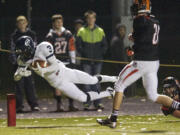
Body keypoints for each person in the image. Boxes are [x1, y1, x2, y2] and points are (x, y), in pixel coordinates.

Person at [96, 0, 180, 128]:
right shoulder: (155, 21)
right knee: (153, 95)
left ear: (141, 7)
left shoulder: (139, 19)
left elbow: (141, 40)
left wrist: (133, 48)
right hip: (154, 62)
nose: (133, 10)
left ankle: (113, 119)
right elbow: (146, 37)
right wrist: (135, 38)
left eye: (135, 7)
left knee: (119, 84)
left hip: (142, 62)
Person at [14, 36, 118, 107]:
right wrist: (20, 73)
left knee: (92, 80)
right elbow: (16, 77)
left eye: (23, 51)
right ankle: (108, 92)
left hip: (64, 72)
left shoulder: (43, 47)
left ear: (29, 47)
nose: (22, 55)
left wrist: (43, 70)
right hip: (57, 83)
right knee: (83, 98)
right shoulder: (22, 59)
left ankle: (114, 78)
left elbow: (54, 66)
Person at [76, 10, 108, 111]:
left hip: (98, 61)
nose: (91, 20)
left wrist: (100, 54)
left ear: (95, 19)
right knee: (87, 83)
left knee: (96, 82)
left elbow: (105, 45)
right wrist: (85, 54)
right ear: (86, 19)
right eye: (89, 18)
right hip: (86, 61)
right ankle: (87, 103)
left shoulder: (100, 31)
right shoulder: (81, 31)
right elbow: (78, 46)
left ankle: (98, 103)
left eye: (92, 18)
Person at [45, 14, 78, 112]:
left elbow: (72, 48)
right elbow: (48, 51)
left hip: (67, 62)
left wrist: (73, 61)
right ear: (53, 23)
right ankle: (59, 105)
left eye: (60, 22)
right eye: (57, 22)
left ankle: (71, 104)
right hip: (56, 63)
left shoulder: (67, 34)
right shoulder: (50, 36)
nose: (59, 24)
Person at [9, 15, 39, 113]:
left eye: (23, 22)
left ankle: (34, 105)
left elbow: (35, 47)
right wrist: (15, 62)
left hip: (29, 64)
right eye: (19, 23)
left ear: (26, 23)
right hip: (18, 65)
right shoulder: (14, 36)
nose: (22, 25)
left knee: (30, 84)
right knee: (19, 85)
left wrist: (32, 61)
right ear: (17, 25)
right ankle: (19, 106)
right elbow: (12, 49)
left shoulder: (32, 34)